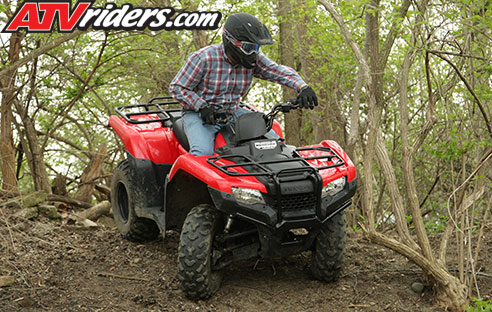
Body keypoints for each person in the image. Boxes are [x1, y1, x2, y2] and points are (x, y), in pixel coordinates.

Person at [169, 12, 318, 156]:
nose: (254, 53)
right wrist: (202, 106)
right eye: (248, 48)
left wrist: (302, 87)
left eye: (256, 48)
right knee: (203, 153)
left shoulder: (254, 59)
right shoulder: (203, 58)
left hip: (233, 111)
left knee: (275, 144)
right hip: (199, 115)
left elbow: (277, 71)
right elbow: (177, 87)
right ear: (229, 41)